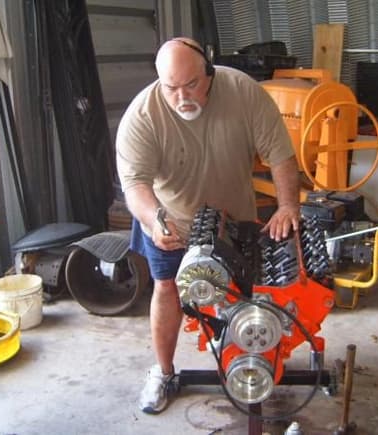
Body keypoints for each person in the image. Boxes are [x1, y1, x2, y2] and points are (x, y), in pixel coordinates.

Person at [116, 37, 300, 414]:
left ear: (210, 74)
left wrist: (287, 206)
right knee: (167, 289)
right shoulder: (142, 116)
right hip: (172, 220)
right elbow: (134, 185)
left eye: (192, 85)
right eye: (171, 88)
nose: (182, 96)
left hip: (233, 219)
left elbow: (280, 154)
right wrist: (154, 220)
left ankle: (249, 365)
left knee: (245, 294)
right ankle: (164, 372)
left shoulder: (244, 92)